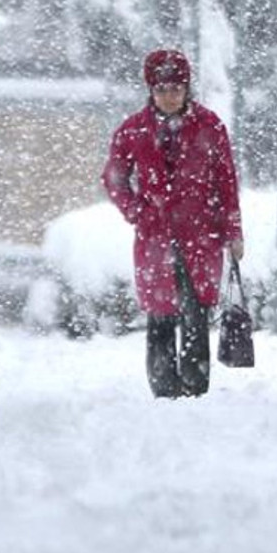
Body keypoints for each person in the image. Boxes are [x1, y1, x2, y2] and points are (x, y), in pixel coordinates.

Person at [101, 49, 244, 398]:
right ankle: (164, 388)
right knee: (161, 313)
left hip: (201, 234)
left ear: (187, 89)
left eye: (176, 89)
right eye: (162, 89)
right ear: (151, 90)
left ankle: (195, 385)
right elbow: (115, 179)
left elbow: (226, 183)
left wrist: (233, 231)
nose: (169, 96)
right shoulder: (132, 131)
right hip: (155, 237)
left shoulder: (210, 127)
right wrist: (137, 211)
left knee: (196, 312)